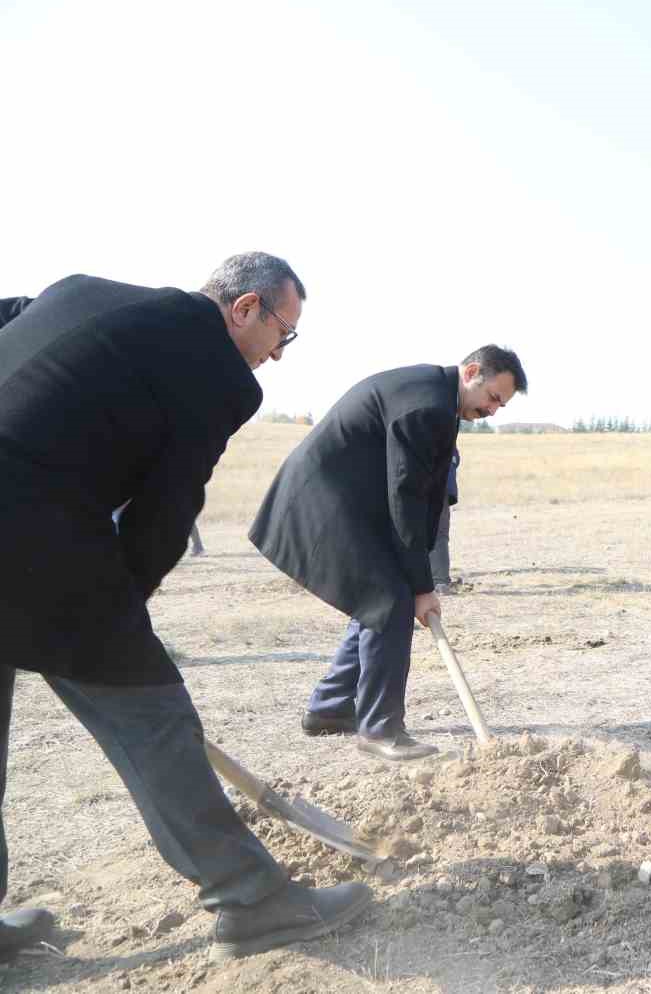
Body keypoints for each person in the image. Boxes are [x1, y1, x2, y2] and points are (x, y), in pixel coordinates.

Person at [0, 254, 370, 960]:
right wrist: (119, 620)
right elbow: (165, 516)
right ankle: (253, 899)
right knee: (153, 716)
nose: (277, 357)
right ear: (245, 308)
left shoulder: (80, 291)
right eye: (283, 336)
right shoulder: (217, 371)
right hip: (28, 533)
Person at [251, 346, 527, 761]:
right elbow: (406, 497)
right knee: (390, 598)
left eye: (500, 405)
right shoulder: (426, 405)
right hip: (323, 502)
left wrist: (422, 576)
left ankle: (330, 708)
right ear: (471, 372)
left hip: (347, 501)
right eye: (492, 398)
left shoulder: (438, 399)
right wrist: (421, 586)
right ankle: (380, 729)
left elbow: (425, 492)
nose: (493, 410)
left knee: (379, 598)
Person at [430, 448, 461, 592]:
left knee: (436, 533)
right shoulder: (446, 432)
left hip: (429, 485)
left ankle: (439, 581)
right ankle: (440, 580)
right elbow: (455, 458)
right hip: (441, 487)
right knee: (439, 533)